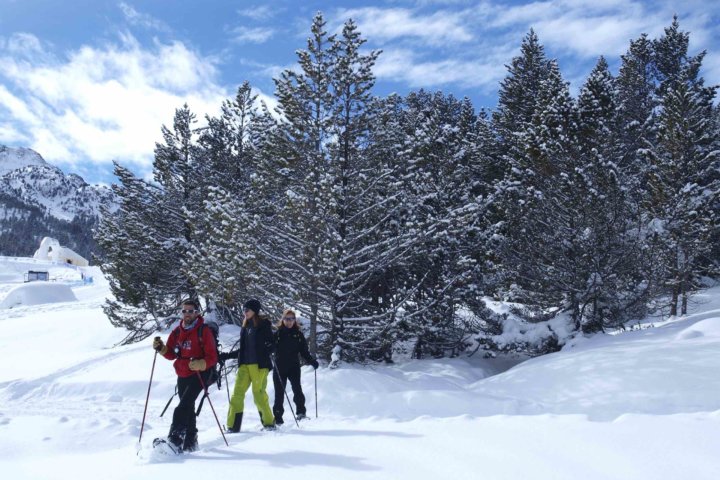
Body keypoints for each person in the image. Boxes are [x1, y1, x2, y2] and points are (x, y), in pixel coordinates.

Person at [152, 299, 218, 452]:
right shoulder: (177, 331)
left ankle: (175, 440)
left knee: (183, 406)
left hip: (200, 374)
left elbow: (212, 357)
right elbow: (171, 354)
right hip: (182, 373)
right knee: (188, 407)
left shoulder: (203, 330)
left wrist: (201, 364)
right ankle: (190, 442)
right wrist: (161, 348)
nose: (186, 314)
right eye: (184, 311)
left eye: (190, 311)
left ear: (196, 313)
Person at [218, 298, 276, 431]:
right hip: (245, 365)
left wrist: (268, 348)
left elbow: (272, 345)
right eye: (244, 309)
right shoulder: (245, 327)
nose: (245, 312)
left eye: (247, 310)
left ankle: (269, 423)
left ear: (254, 311)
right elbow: (243, 349)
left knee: (258, 394)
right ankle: (233, 426)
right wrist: (227, 356)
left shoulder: (263, 325)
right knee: (237, 393)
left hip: (259, 365)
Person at [272, 309, 319, 424]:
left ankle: (301, 412)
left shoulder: (298, 334)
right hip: (279, 367)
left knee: (297, 389)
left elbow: (304, 351)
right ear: (283, 320)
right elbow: (270, 349)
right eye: (287, 319)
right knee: (279, 393)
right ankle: (278, 417)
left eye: (292, 319)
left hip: (293, 366)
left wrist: (312, 361)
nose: (290, 321)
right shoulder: (277, 334)